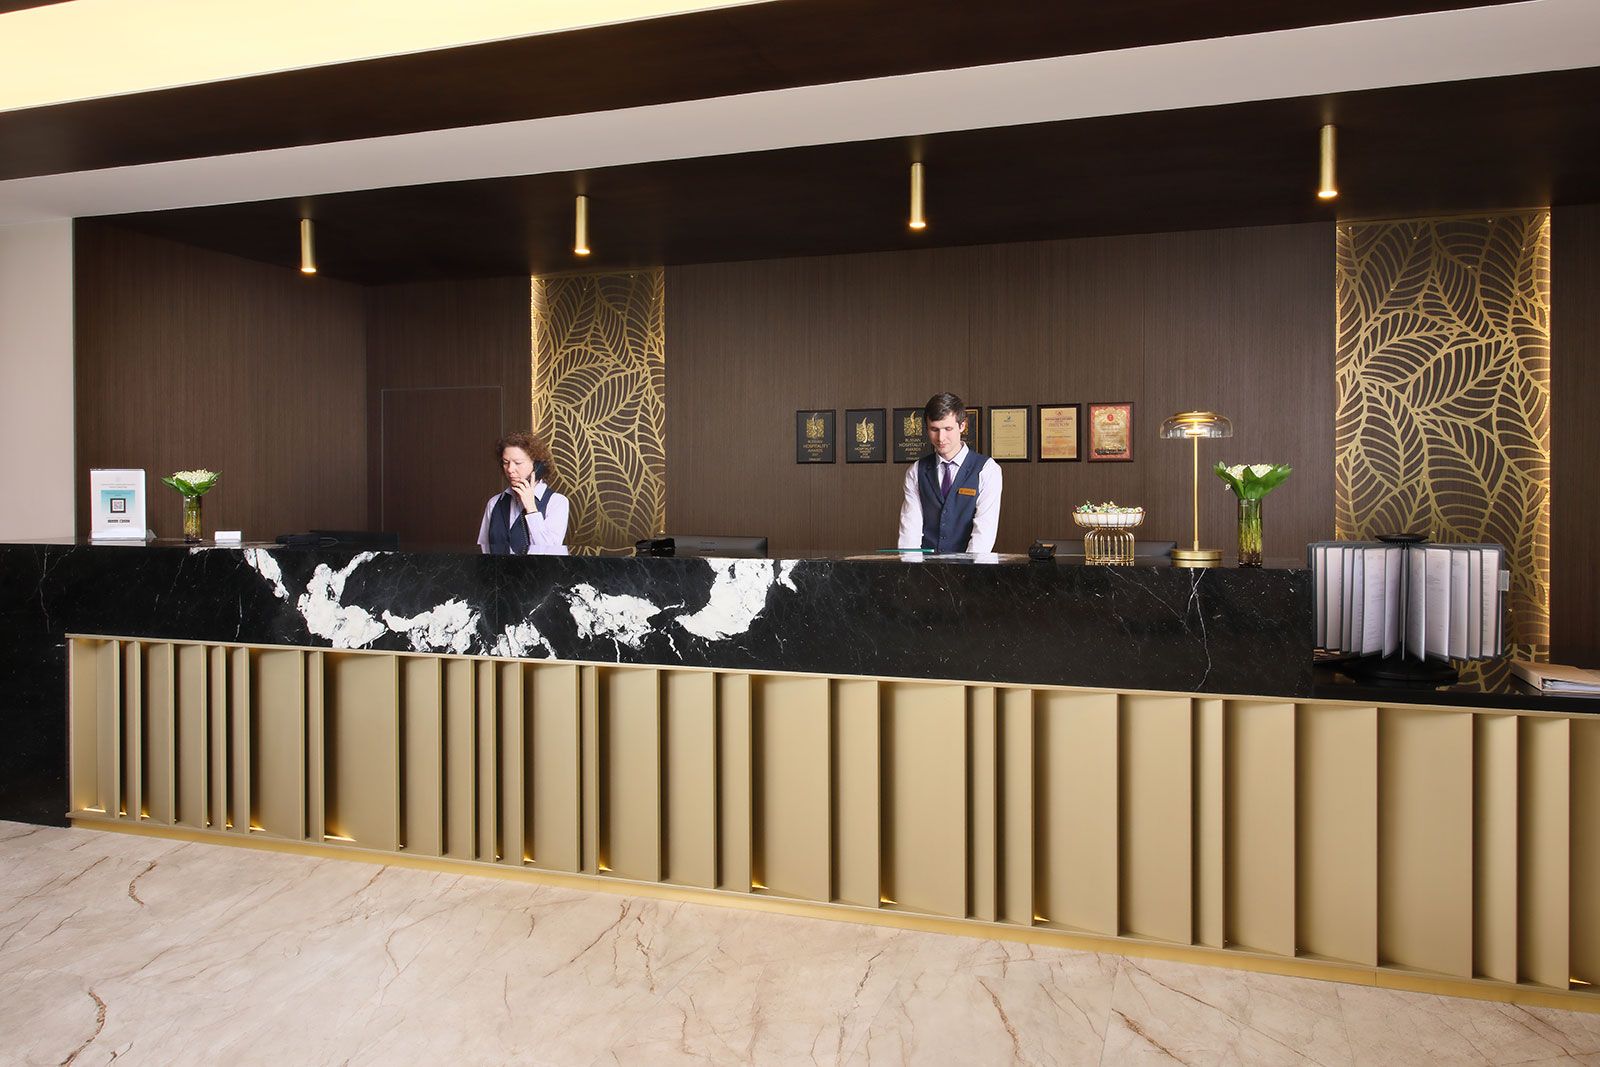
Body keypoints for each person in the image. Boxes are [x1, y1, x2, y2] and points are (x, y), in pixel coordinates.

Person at [897, 392, 1002, 553]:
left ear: (962, 426)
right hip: (925, 565)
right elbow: (910, 528)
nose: (941, 438)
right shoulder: (916, 471)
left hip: (970, 565)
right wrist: (910, 566)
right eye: (934, 429)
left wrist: (968, 566)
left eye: (948, 429)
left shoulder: (987, 470)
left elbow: (984, 532)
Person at [477, 431, 569, 553]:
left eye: (518, 463)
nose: (510, 469)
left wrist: (531, 509)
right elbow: (484, 551)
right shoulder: (494, 503)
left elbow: (550, 552)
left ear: (537, 466)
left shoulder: (557, 502)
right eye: (506, 462)